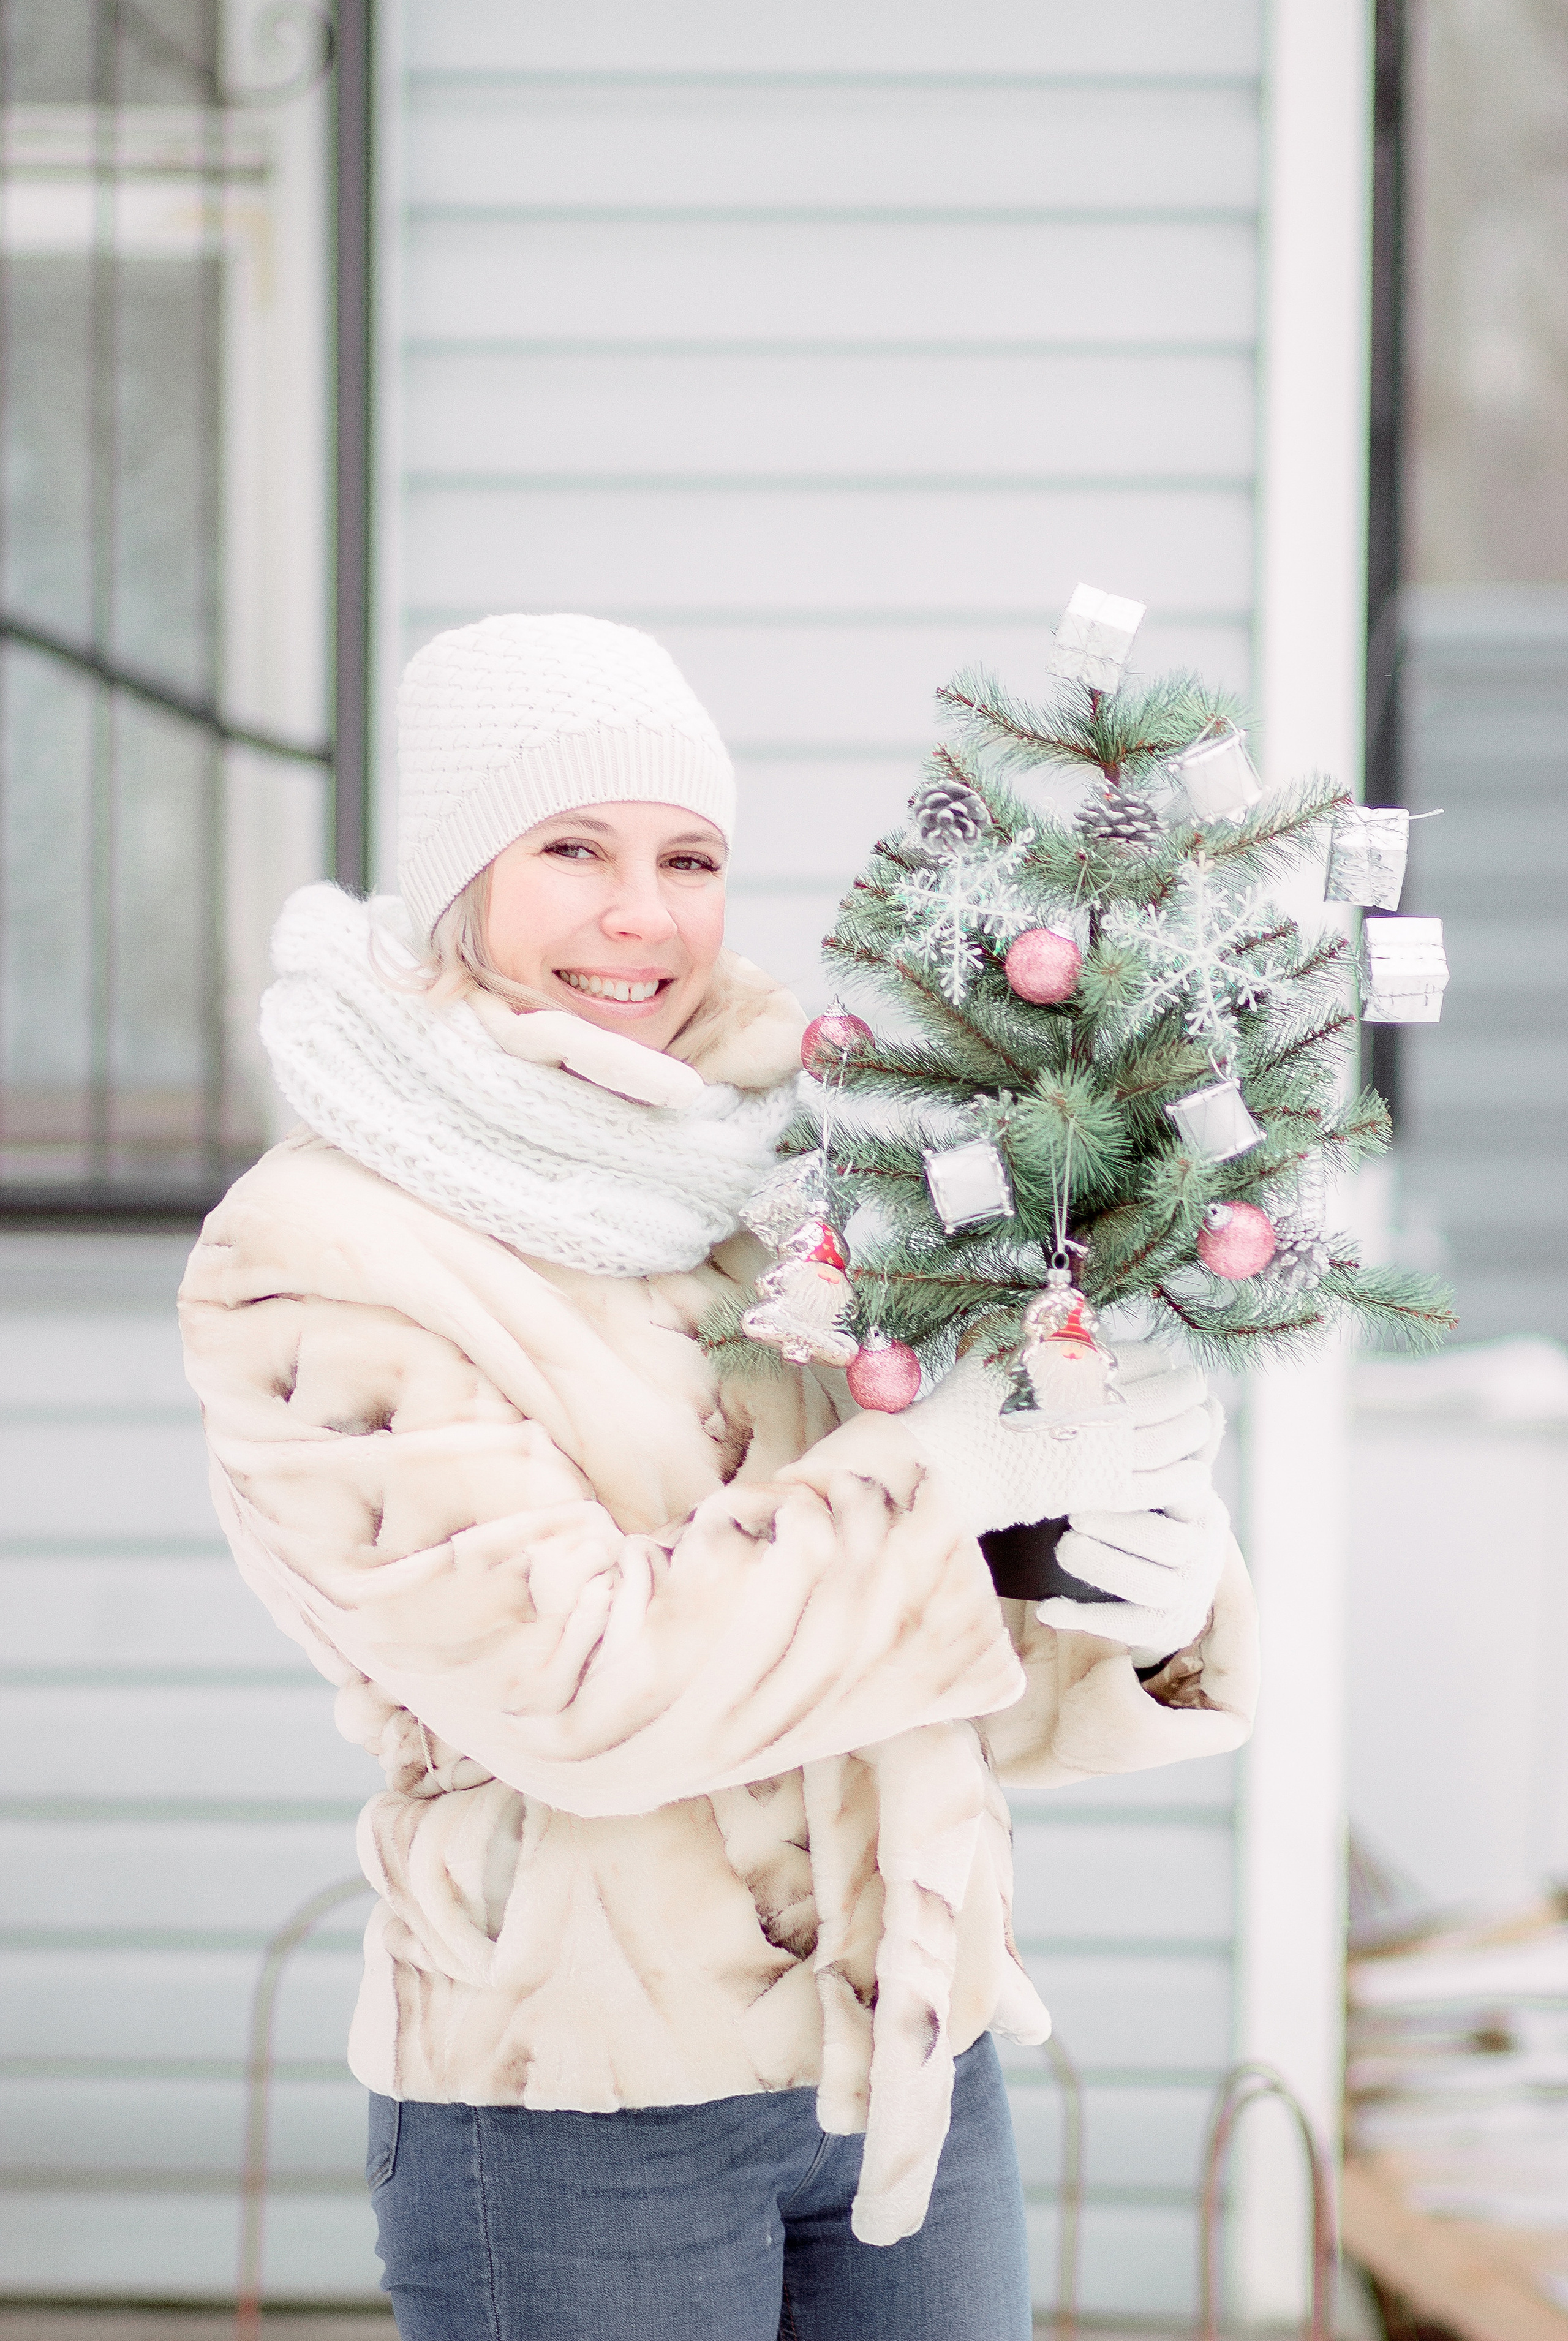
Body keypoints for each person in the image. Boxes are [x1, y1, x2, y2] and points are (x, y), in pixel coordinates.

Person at [181, 614, 1257, 2341]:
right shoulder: (321, 1252)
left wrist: (1118, 1588)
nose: (646, 915)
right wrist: (930, 1479)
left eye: (690, 857)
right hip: (580, 2103)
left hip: (905, 2064)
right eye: (574, 851)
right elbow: (577, 1685)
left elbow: (902, 1643)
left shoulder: (794, 1164)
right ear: (458, 874)